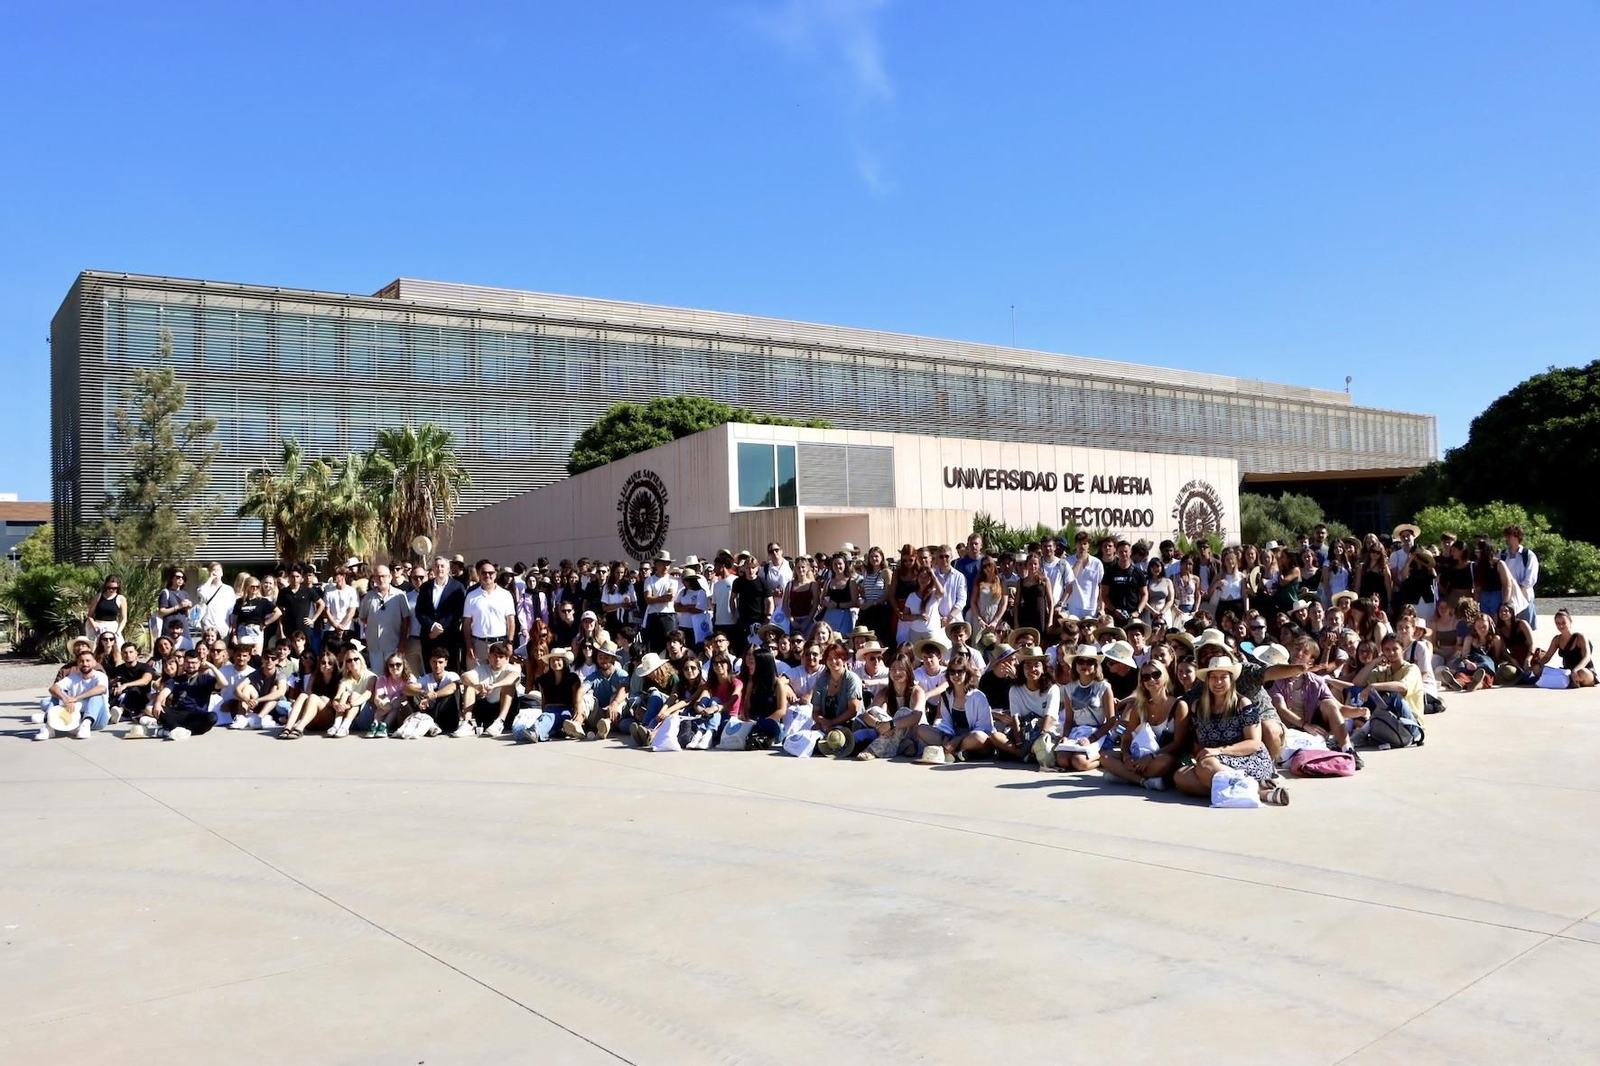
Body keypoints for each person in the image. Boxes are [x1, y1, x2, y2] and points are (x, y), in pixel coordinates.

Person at [1173, 656, 1290, 805]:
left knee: (1205, 767)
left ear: (1231, 680)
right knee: (1181, 777)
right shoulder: (1198, 707)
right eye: (1213, 677)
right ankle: (1258, 791)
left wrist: (1219, 751)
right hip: (1216, 762)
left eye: (1223, 677)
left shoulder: (1243, 704)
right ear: (1207, 680)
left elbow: (1254, 744)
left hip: (1247, 759)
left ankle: (1246, 789)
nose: (1218, 682)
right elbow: (1199, 745)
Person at [1101, 660, 1188, 790]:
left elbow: (1178, 743)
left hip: (1162, 756)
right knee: (1104, 757)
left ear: (1164, 676)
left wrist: (1152, 756)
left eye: (1156, 674)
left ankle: (1124, 776)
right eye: (1146, 677)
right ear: (1142, 682)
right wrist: (1126, 756)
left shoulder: (1179, 706)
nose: (1151, 679)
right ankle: (1143, 781)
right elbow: (1127, 738)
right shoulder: (1139, 707)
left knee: (1164, 761)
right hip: (1138, 755)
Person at [1268, 637, 1353, 751]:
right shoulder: (1278, 678)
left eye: (1305, 652)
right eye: (1297, 649)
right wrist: (1305, 725)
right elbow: (1281, 708)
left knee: (1328, 703)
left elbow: (1338, 708)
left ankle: (1347, 748)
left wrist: (1359, 712)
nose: (1299, 653)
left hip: (1310, 729)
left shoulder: (1316, 681)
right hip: (1286, 729)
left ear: (1311, 661)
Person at [1047, 646, 1116, 771]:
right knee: (1062, 760)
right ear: (1075, 664)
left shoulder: (1104, 686)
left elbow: (1111, 720)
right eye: (1080, 661)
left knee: (1079, 762)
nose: (1085, 665)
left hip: (1098, 733)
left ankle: (1103, 759)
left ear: (1095, 665)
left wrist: (1091, 739)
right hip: (1077, 732)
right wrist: (1066, 736)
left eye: (1089, 661)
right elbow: (1069, 719)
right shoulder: (1069, 688)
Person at [915, 658, 997, 762]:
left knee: (979, 737)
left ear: (966, 674)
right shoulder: (946, 695)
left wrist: (958, 739)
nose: (956, 675)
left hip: (972, 737)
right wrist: (947, 737)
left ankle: (952, 751)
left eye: (960, 672)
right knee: (921, 730)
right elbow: (946, 721)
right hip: (953, 735)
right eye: (952, 672)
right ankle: (954, 752)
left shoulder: (978, 696)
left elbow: (984, 727)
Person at [37, 648, 110, 741]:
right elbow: (53, 688)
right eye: (81, 661)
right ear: (78, 663)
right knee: (56, 695)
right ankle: (48, 727)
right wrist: (64, 699)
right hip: (75, 718)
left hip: (98, 719)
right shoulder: (73, 677)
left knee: (97, 695)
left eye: (88, 660)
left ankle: (86, 725)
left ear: (94, 662)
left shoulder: (100, 676)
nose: (85, 663)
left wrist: (76, 698)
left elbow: (101, 688)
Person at [459, 641, 522, 737]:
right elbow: (464, 676)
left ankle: (500, 721)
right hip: (486, 710)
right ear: (489, 657)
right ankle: (467, 722)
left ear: (507, 659)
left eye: (501, 657)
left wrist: (494, 685)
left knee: (509, 685)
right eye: (495, 656)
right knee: (469, 686)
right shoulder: (482, 669)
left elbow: (515, 677)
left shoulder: (511, 669)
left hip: (507, 712)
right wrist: (477, 686)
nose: (497, 659)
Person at [415, 556, 466, 671]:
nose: (439, 569)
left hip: (449, 637)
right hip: (429, 637)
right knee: (430, 670)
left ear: (448, 569)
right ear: (433, 569)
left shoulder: (457, 587)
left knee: (450, 671)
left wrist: (439, 628)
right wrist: (432, 626)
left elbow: (457, 612)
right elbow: (419, 611)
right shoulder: (425, 587)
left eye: (442, 566)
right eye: (437, 566)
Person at [463, 560, 516, 668]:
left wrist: (509, 643)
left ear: (495, 574)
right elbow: (466, 624)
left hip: (500, 643)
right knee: (476, 681)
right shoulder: (471, 596)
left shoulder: (505, 595)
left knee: (499, 681)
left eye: (490, 573)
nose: (487, 575)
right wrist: (469, 645)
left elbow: (511, 622)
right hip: (478, 645)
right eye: (484, 573)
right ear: (479, 574)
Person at [280, 650, 342, 738]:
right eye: (323, 663)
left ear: (334, 664)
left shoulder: (339, 679)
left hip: (329, 717)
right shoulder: (315, 677)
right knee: (303, 695)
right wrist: (318, 698)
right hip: (311, 718)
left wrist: (327, 701)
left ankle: (299, 729)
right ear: (319, 664)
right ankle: (287, 728)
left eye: (330, 663)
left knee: (313, 697)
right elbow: (307, 695)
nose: (326, 666)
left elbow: (340, 702)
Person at [1530, 609, 1595, 689]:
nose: (1561, 626)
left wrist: (1575, 670)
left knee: (1582, 672)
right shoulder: (1557, 639)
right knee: (1537, 668)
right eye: (1558, 623)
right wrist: (1538, 665)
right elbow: (1547, 657)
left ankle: (1577, 680)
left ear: (1570, 622)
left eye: (1564, 623)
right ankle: (1571, 681)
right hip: (1566, 672)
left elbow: (1587, 657)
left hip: (1583, 670)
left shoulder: (1580, 638)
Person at [406, 649, 462, 736]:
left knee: (448, 695)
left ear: (446, 663)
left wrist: (434, 695)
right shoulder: (426, 678)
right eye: (434, 662)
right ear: (430, 662)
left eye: (440, 662)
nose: (437, 665)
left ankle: (430, 724)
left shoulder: (451, 675)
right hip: (430, 712)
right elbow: (408, 688)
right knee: (412, 693)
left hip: (447, 716)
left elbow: (453, 687)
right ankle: (428, 723)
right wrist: (424, 693)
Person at [324, 646, 375, 738]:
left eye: (356, 659)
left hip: (366, 716)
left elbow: (368, 694)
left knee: (354, 694)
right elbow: (337, 697)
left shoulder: (370, 676)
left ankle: (344, 727)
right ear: (346, 664)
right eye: (349, 660)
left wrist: (351, 704)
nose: (353, 662)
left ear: (361, 660)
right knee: (344, 694)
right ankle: (337, 725)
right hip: (350, 717)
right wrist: (336, 704)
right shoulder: (344, 680)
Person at [1101, 540, 1147, 626]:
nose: (1123, 554)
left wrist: (1138, 611)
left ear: (1130, 552)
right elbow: (1104, 594)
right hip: (1114, 616)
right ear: (1117, 552)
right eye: (1121, 552)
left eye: (1126, 551)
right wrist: (1114, 610)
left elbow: (1144, 594)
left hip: (1132, 616)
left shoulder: (1138, 572)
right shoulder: (1110, 572)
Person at [108, 641, 157, 723]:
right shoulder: (118, 669)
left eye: (131, 652)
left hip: (140, 697)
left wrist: (126, 685)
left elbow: (145, 680)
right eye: (125, 653)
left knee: (134, 690)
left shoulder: (145, 667)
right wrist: (115, 685)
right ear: (122, 655)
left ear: (136, 653)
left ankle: (120, 710)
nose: (128, 655)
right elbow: (111, 681)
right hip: (122, 697)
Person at [368, 653, 415, 737]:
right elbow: (377, 698)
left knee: (396, 700)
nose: (395, 667)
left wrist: (391, 702)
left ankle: (383, 725)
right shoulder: (383, 679)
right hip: (386, 710)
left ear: (404, 665)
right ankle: (376, 724)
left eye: (398, 664)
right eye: (391, 665)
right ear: (388, 667)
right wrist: (383, 704)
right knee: (386, 700)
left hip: (403, 711)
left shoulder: (409, 678)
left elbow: (411, 693)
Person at [1501, 524, 1539, 627]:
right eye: (1506, 536)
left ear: (1517, 537)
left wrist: (1518, 592)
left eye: (1509, 536)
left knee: (1526, 628)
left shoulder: (1528, 555)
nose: (1507, 539)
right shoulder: (1502, 555)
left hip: (1524, 598)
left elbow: (1530, 578)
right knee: (1510, 628)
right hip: (1508, 599)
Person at [321, 566, 359, 645]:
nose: (334, 577)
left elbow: (351, 611)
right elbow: (327, 611)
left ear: (343, 576)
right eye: (333, 574)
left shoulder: (352, 591)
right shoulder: (328, 591)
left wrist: (341, 626)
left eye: (336, 574)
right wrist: (336, 626)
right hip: (331, 629)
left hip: (347, 629)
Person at [154, 568, 193, 644]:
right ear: (172, 578)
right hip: (170, 627)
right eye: (178, 577)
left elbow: (187, 614)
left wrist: (188, 608)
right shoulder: (166, 593)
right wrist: (178, 606)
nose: (180, 579)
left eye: (183, 578)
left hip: (183, 626)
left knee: (185, 648)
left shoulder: (184, 593)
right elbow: (161, 612)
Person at [84, 574, 127, 641]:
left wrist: (118, 632)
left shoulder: (121, 599)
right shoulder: (97, 597)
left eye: (114, 588)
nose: (111, 590)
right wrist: (94, 625)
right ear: (105, 586)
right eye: (109, 587)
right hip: (97, 627)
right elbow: (90, 615)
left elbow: (124, 618)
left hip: (113, 628)